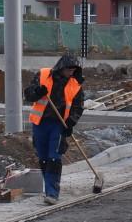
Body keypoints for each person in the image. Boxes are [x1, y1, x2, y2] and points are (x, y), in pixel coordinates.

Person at [23, 54, 85, 204]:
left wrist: (70, 123)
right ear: (61, 67)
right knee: (43, 158)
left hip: (58, 125)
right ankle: (48, 189)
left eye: (73, 70)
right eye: (68, 69)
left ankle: (52, 193)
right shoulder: (43, 75)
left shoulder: (75, 85)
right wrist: (37, 92)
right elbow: (28, 95)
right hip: (40, 123)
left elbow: (78, 107)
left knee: (54, 157)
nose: (70, 73)